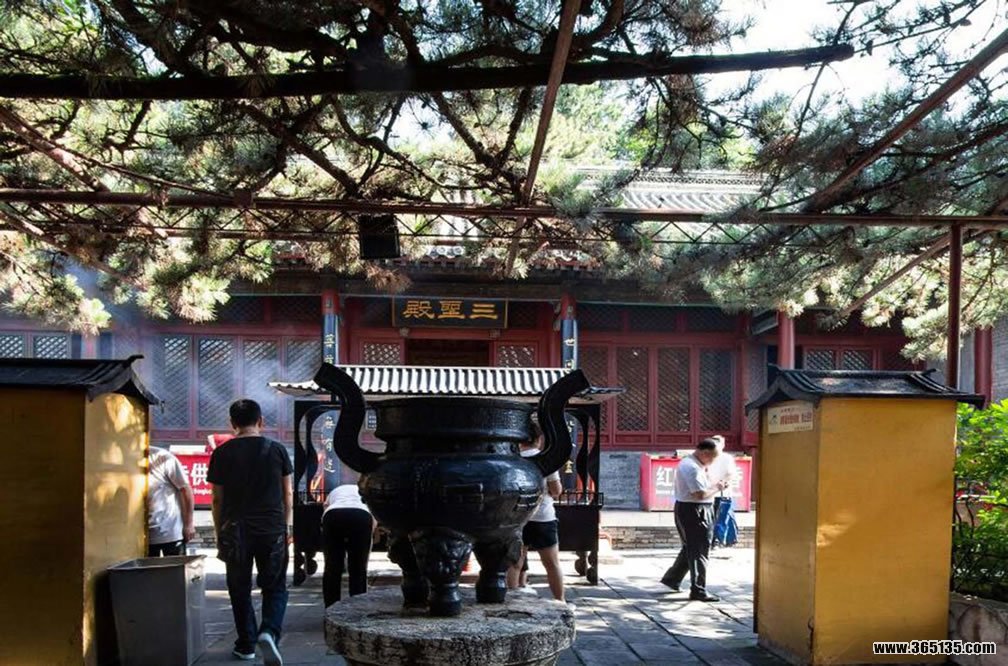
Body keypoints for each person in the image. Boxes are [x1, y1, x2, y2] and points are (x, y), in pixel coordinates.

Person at [208, 399, 293, 665]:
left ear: (232, 423)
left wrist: (219, 532)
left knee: (239, 588)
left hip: (236, 530)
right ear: (261, 421)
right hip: (272, 529)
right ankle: (269, 631)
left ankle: (246, 645)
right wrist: (286, 526)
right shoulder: (277, 450)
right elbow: (287, 494)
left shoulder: (221, 453)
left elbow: (217, 500)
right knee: (275, 586)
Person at [659, 438, 726, 602]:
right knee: (700, 550)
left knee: (691, 547)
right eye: (713, 458)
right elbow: (699, 494)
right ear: (705, 453)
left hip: (691, 508)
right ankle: (698, 589)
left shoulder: (695, 464)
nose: (713, 462)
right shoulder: (691, 468)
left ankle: (672, 578)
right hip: (695, 510)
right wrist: (718, 487)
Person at [507, 420, 565, 601]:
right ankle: (560, 601)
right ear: (539, 439)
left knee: (515, 564)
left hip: (518, 518)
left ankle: (512, 602)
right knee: (552, 564)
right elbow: (556, 490)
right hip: (543, 518)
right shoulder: (545, 460)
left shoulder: (513, 460)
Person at [321, 483, 376, 607]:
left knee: (332, 566)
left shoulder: (335, 491)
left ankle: (331, 605)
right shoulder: (364, 490)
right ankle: (358, 604)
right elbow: (374, 513)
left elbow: (325, 506)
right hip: (361, 515)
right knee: (358, 566)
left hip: (333, 515)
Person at [147, 445, 196, 556]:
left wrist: (188, 524)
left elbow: (185, 489)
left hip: (170, 531)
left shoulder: (161, 457)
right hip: (141, 535)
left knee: (175, 566)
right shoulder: (125, 460)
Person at [707, 435, 739, 548]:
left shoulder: (726, 458)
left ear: (722, 445)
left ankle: (716, 541)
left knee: (721, 519)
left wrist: (722, 482)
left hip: (722, 493)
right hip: (709, 493)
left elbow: (730, 474)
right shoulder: (707, 457)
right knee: (710, 518)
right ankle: (713, 540)